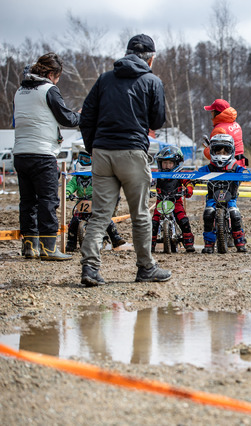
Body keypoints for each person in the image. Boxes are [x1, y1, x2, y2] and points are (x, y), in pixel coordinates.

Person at [79, 34, 171, 286]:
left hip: (102, 153)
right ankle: (145, 268)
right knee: (140, 214)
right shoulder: (152, 81)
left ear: (127, 53)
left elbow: (86, 116)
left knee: (99, 215)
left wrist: (94, 147)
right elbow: (157, 121)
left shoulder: (104, 79)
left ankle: (90, 269)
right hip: (132, 152)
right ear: (150, 59)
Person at [13, 52, 80, 261]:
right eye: (58, 76)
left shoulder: (20, 91)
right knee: (48, 201)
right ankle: (49, 248)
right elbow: (66, 118)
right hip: (42, 154)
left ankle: (29, 246)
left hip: (20, 153)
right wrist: (82, 115)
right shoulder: (49, 90)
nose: (58, 80)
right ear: (51, 74)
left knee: (27, 202)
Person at [65, 151, 126, 252]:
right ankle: (71, 243)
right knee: (73, 222)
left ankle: (115, 238)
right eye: (81, 159)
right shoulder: (76, 178)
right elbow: (70, 186)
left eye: (86, 159)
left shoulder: (96, 176)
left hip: (96, 203)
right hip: (81, 204)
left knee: (106, 219)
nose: (82, 162)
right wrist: (68, 192)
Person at [198, 134, 248, 253]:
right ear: (212, 151)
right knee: (208, 214)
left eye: (225, 152)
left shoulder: (234, 166)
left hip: (230, 197)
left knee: (235, 214)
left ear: (231, 151)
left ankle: (240, 241)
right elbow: (197, 173)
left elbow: (243, 171)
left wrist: (246, 173)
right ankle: (209, 243)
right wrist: (193, 179)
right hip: (212, 198)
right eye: (218, 151)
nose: (221, 155)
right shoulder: (209, 167)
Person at [151, 146, 195, 253]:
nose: (166, 166)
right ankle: (150, 244)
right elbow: (149, 182)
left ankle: (188, 242)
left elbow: (189, 182)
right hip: (161, 202)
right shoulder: (157, 175)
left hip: (176, 201)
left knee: (183, 219)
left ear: (176, 163)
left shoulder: (180, 174)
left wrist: (188, 190)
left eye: (169, 163)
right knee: (154, 222)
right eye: (164, 163)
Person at [202, 98, 247, 167]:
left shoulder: (219, 129)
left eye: (212, 110)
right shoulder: (236, 125)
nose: (211, 112)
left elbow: (216, 155)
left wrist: (207, 150)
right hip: (239, 164)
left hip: (227, 168)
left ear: (216, 112)